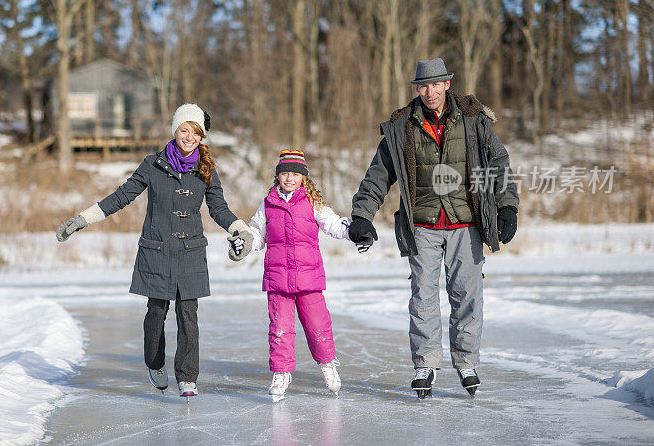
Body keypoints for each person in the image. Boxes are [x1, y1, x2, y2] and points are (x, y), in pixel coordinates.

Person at [56, 103, 253, 399]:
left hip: (190, 251)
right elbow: (122, 196)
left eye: (195, 132)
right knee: (156, 312)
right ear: (175, 131)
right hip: (157, 249)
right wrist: (82, 219)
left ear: (201, 137)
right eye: (184, 130)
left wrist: (240, 229)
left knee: (189, 313)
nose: (189, 137)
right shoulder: (153, 164)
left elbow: (218, 208)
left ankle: (187, 377)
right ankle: (155, 363)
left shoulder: (206, 168)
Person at [348, 58, 519, 398]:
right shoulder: (402, 128)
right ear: (417, 89)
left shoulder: (474, 121)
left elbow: (498, 162)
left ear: (446, 85)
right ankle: (425, 362)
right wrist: (362, 214)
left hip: (466, 222)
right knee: (423, 297)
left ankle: (466, 361)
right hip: (422, 225)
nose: (429, 92)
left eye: (435, 85)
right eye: (422, 86)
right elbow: (379, 175)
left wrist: (507, 205)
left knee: (467, 296)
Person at [230, 149, 352, 400]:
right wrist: (244, 244)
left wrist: (354, 230)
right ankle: (281, 373)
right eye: (284, 173)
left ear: (303, 178)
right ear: (277, 177)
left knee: (318, 327)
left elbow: (333, 225)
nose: (289, 178)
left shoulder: (312, 202)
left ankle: (328, 365)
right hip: (278, 281)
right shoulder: (267, 205)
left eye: (295, 174)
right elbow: (256, 235)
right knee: (280, 330)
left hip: (309, 280)